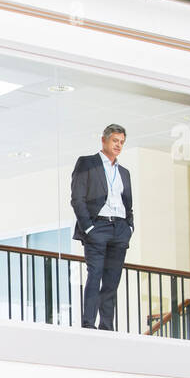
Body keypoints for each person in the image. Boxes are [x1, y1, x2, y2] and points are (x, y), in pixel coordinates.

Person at [70, 123, 134, 331]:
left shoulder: (124, 172)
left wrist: (129, 227)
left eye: (122, 142)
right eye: (115, 140)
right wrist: (88, 228)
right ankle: (88, 323)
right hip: (97, 227)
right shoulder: (87, 163)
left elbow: (128, 203)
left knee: (112, 280)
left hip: (120, 229)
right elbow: (77, 199)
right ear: (104, 140)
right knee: (95, 274)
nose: (118, 145)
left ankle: (107, 325)